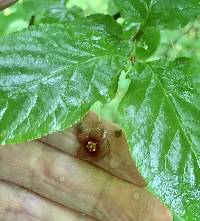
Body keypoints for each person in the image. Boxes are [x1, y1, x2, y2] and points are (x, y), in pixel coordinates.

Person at [0, 112, 172, 221]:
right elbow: (86, 148)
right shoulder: (87, 147)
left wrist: (92, 146)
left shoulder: (94, 146)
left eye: (91, 146)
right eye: (90, 146)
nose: (90, 147)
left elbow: (92, 146)